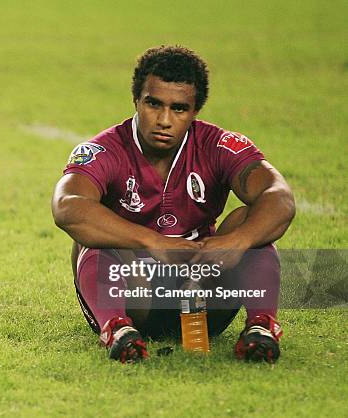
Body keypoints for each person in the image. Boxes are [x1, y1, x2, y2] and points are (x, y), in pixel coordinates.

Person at [51, 45, 295, 363]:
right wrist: (152, 241)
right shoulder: (104, 150)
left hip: (201, 293)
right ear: (136, 100)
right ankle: (117, 330)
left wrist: (237, 242)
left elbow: (279, 197)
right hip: (135, 298)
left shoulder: (218, 145)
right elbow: (68, 206)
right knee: (92, 238)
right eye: (154, 104)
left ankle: (261, 328)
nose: (164, 120)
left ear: (195, 111)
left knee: (250, 219)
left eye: (179, 109)